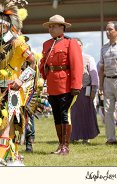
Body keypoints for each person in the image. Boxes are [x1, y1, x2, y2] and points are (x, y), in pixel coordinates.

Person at [0, 0, 36, 166]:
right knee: (1, 125)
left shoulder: (18, 43)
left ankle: (0, 157)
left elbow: (33, 63)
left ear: (5, 26)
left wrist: (20, 80)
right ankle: (13, 157)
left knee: (6, 124)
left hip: (13, 90)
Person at [39, 15, 83, 155]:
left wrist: (76, 85)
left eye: (53, 26)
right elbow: (43, 63)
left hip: (65, 83)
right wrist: (42, 77)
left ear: (62, 27)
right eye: (49, 26)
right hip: (52, 84)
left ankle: (65, 146)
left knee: (65, 114)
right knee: (57, 115)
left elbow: (77, 65)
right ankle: (60, 144)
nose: (50, 29)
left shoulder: (71, 43)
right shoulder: (47, 44)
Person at [70, 38, 100, 143]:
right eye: (75, 45)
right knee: (73, 115)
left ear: (82, 46)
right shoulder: (69, 58)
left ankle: (86, 138)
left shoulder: (88, 58)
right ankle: (74, 136)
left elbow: (94, 76)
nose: (77, 47)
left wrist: (93, 90)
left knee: (86, 114)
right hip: (72, 92)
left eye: (79, 45)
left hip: (85, 90)